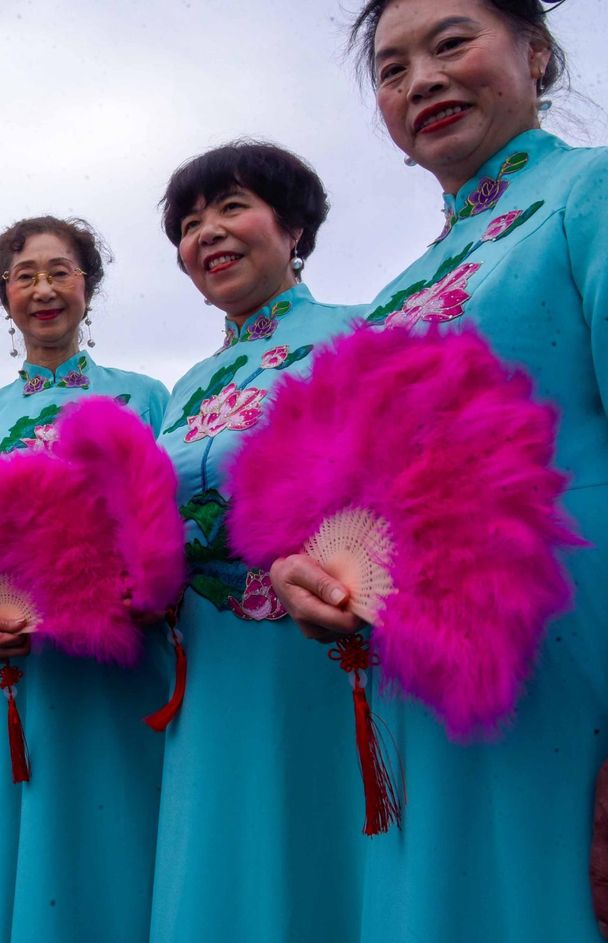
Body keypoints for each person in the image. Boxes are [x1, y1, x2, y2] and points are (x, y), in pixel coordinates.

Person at [270, 1, 608, 937]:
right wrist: (306, 572)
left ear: (534, 53)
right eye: (391, 68)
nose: (421, 79)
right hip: (421, 681)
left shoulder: (590, 193)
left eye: (452, 43)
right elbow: (351, 493)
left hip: (576, 657)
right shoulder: (397, 294)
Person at [149, 142, 369, 943]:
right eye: (190, 222)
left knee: (321, 859)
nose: (208, 232)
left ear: (295, 225)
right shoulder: (182, 392)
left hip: (326, 650)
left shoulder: (360, 335)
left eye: (232, 207)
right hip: (205, 667)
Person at [0, 216, 169, 942]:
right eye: (24, 275)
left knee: (121, 827)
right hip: (21, 668)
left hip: (119, 665)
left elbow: (163, 533)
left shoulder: (144, 398)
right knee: (34, 831)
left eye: (60, 272)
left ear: (88, 287)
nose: (42, 289)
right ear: (5, 297)